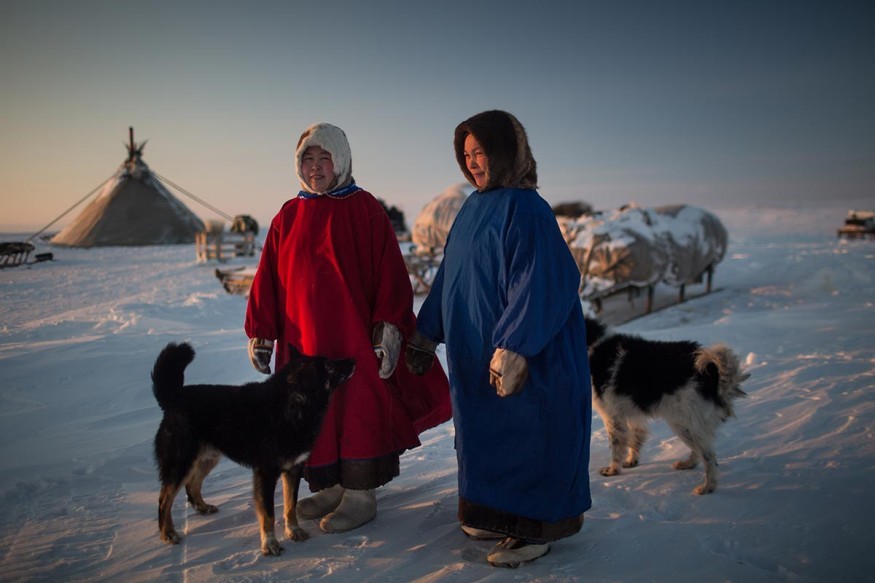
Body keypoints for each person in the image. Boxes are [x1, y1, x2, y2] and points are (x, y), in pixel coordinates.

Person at [245, 122, 451, 534]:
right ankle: (331, 484)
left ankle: (360, 494)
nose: (316, 167)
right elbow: (267, 277)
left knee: (357, 407)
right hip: (302, 339)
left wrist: (388, 327)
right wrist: (261, 330)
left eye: (325, 158)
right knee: (315, 411)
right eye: (308, 159)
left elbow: (390, 272)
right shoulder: (288, 214)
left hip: (354, 337)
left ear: (341, 162)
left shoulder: (364, 207)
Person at [407, 110, 592, 568]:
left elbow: (545, 282)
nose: (473, 163)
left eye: (481, 152)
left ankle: (533, 527)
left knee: (529, 433)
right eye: (466, 155)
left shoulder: (528, 208)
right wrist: (426, 332)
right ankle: (492, 511)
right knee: (483, 434)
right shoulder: (472, 208)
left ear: (506, 153)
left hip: (528, 354)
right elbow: (451, 275)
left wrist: (515, 345)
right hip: (475, 352)